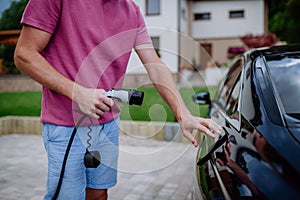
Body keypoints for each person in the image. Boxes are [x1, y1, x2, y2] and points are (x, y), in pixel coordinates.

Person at [14, 0, 221, 199]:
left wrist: (183, 114)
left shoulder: (132, 11)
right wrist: (77, 92)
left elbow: (155, 68)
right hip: (66, 126)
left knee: (99, 194)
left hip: (108, 124)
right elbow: (24, 54)